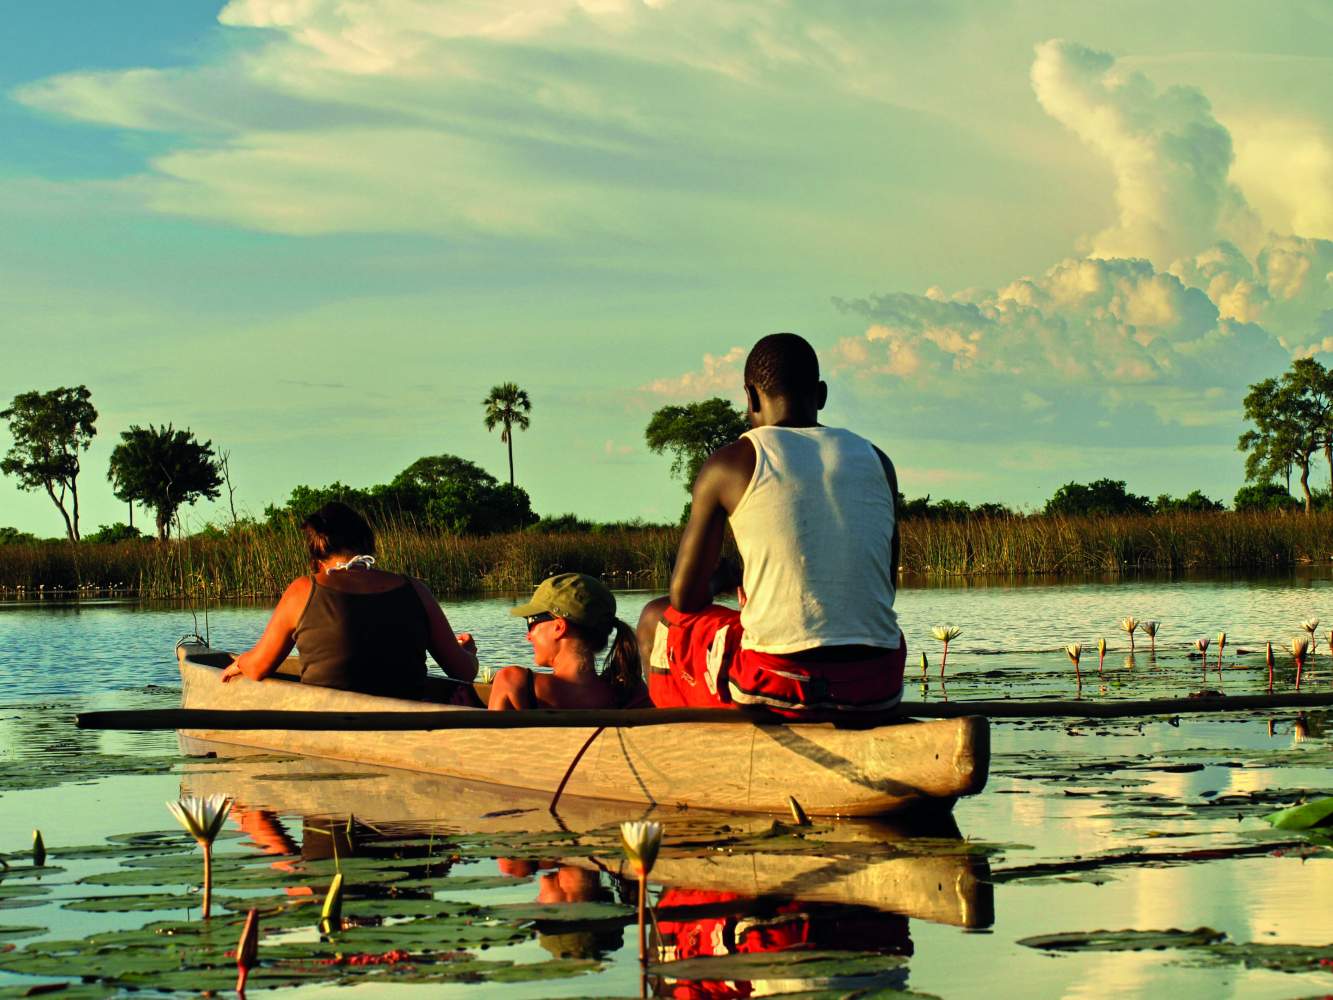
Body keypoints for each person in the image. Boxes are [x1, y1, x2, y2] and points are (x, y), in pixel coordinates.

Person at [639, 332, 905, 717]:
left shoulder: (731, 463)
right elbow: (886, 588)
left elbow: (684, 599)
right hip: (877, 682)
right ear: (822, 394)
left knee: (654, 617)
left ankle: (675, 751)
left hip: (778, 681)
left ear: (750, 396)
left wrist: (724, 579)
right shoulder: (878, 461)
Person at [220, 501, 479, 700]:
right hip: (406, 720)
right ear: (368, 544)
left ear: (315, 558)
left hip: (329, 721)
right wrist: (468, 652)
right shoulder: (416, 590)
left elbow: (258, 668)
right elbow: (464, 672)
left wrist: (241, 661)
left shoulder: (302, 590)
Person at [488, 572, 647, 710]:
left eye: (531, 623)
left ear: (559, 627)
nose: (528, 636)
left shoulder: (513, 682)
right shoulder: (631, 693)